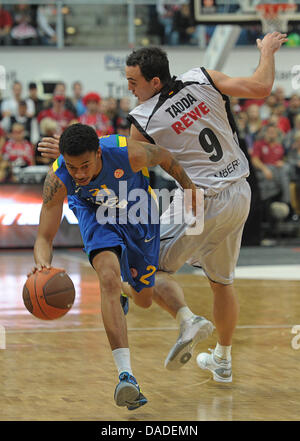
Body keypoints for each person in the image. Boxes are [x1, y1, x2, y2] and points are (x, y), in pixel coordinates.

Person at [37, 32, 287, 383]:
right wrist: (267, 51)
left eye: (133, 82)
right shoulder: (203, 77)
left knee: (145, 271)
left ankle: (186, 320)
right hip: (241, 192)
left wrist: (64, 152)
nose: (130, 90)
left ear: (154, 81)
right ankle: (223, 359)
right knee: (222, 282)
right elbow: (262, 87)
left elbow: (108, 155)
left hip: (201, 198)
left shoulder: (143, 117)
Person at [31, 122, 203, 410]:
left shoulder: (128, 153)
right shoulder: (58, 177)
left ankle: (127, 287)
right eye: (73, 168)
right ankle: (126, 376)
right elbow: (44, 237)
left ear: (98, 153)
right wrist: (42, 266)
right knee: (107, 277)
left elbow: (165, 157)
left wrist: (190, 189)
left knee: (144, 300)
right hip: (95, 214)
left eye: (85, 166)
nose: (80, 174)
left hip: (138, 210)